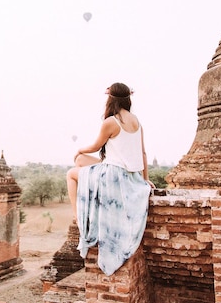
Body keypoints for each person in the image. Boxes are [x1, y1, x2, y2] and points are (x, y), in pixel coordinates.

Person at [66, 82, 155, 276]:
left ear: (111, 99)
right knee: (81, 162)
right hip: (131, 176)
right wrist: (145, 179)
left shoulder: (111, 122)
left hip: (113, 176)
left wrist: (79, 148)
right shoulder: (136, 121)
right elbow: (143, 153)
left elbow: (95, 146)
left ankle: (77, 215)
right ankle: (87, 193)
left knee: (71, 174)